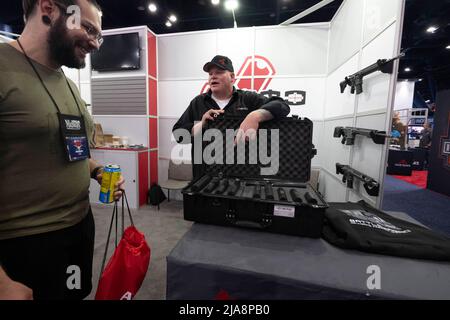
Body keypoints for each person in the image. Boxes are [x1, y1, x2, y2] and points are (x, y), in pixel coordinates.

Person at [0, 0, 124, 300]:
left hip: (78, 229)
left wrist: (94, 170)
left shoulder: (67, 83)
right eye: (89, 28)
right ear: (49, 9)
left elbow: (68, 148)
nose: (95, 43)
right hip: (23, 243)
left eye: (100, 35)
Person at [172, 55, 290, 179]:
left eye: (219, 72)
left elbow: (282, 105)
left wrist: (255, 116)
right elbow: (178, 135)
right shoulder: (198, 102)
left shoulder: (247, 99)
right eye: (210, 73)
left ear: (232, 77)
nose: (213, 76)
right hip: (204, 181)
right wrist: (201, 124)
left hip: (241, 179)